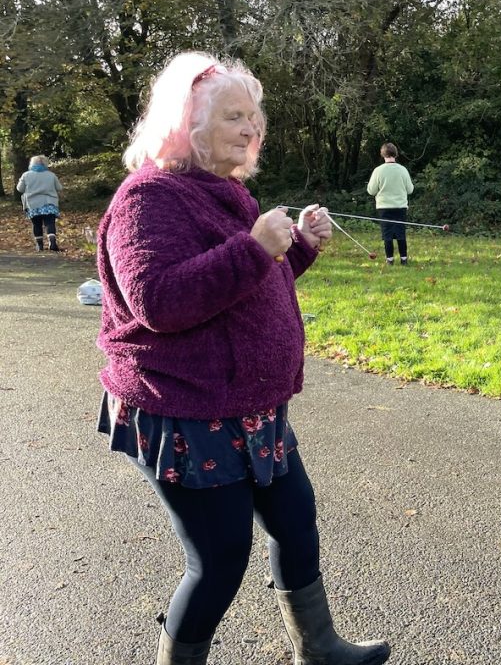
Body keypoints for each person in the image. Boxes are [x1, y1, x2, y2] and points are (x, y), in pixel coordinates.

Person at [94, 51, 390, 665]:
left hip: (251, 405)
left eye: (255, 117)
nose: (252, 129)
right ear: (187, 123)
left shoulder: (226, 192)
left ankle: (320, 648)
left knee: (297, 524)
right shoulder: (147, 199)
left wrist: (297, 247)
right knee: (221, 558)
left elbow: (250, 286)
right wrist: (256, 247)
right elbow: (160, 301)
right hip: (184, 409)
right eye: (235, 116)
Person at [366, 142, 414, 265]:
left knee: (387, 235)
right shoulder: (403, 170)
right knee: (400, 233)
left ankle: (390, 260)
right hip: (400, 207)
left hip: (384, 207)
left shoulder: (378, 170)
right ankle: (404, 259)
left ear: (383, 155)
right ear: (396, 154)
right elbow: (410, 189)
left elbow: (371, 191)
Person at [16, 154, 63, 251]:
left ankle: (39, 245)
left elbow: (20, 189)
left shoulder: (26, 175)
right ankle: (52, 241)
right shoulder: (51, 175)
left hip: (33, 204)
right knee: (50, 223)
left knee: (36, 224)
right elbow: (59, 188)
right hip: (50, 203)